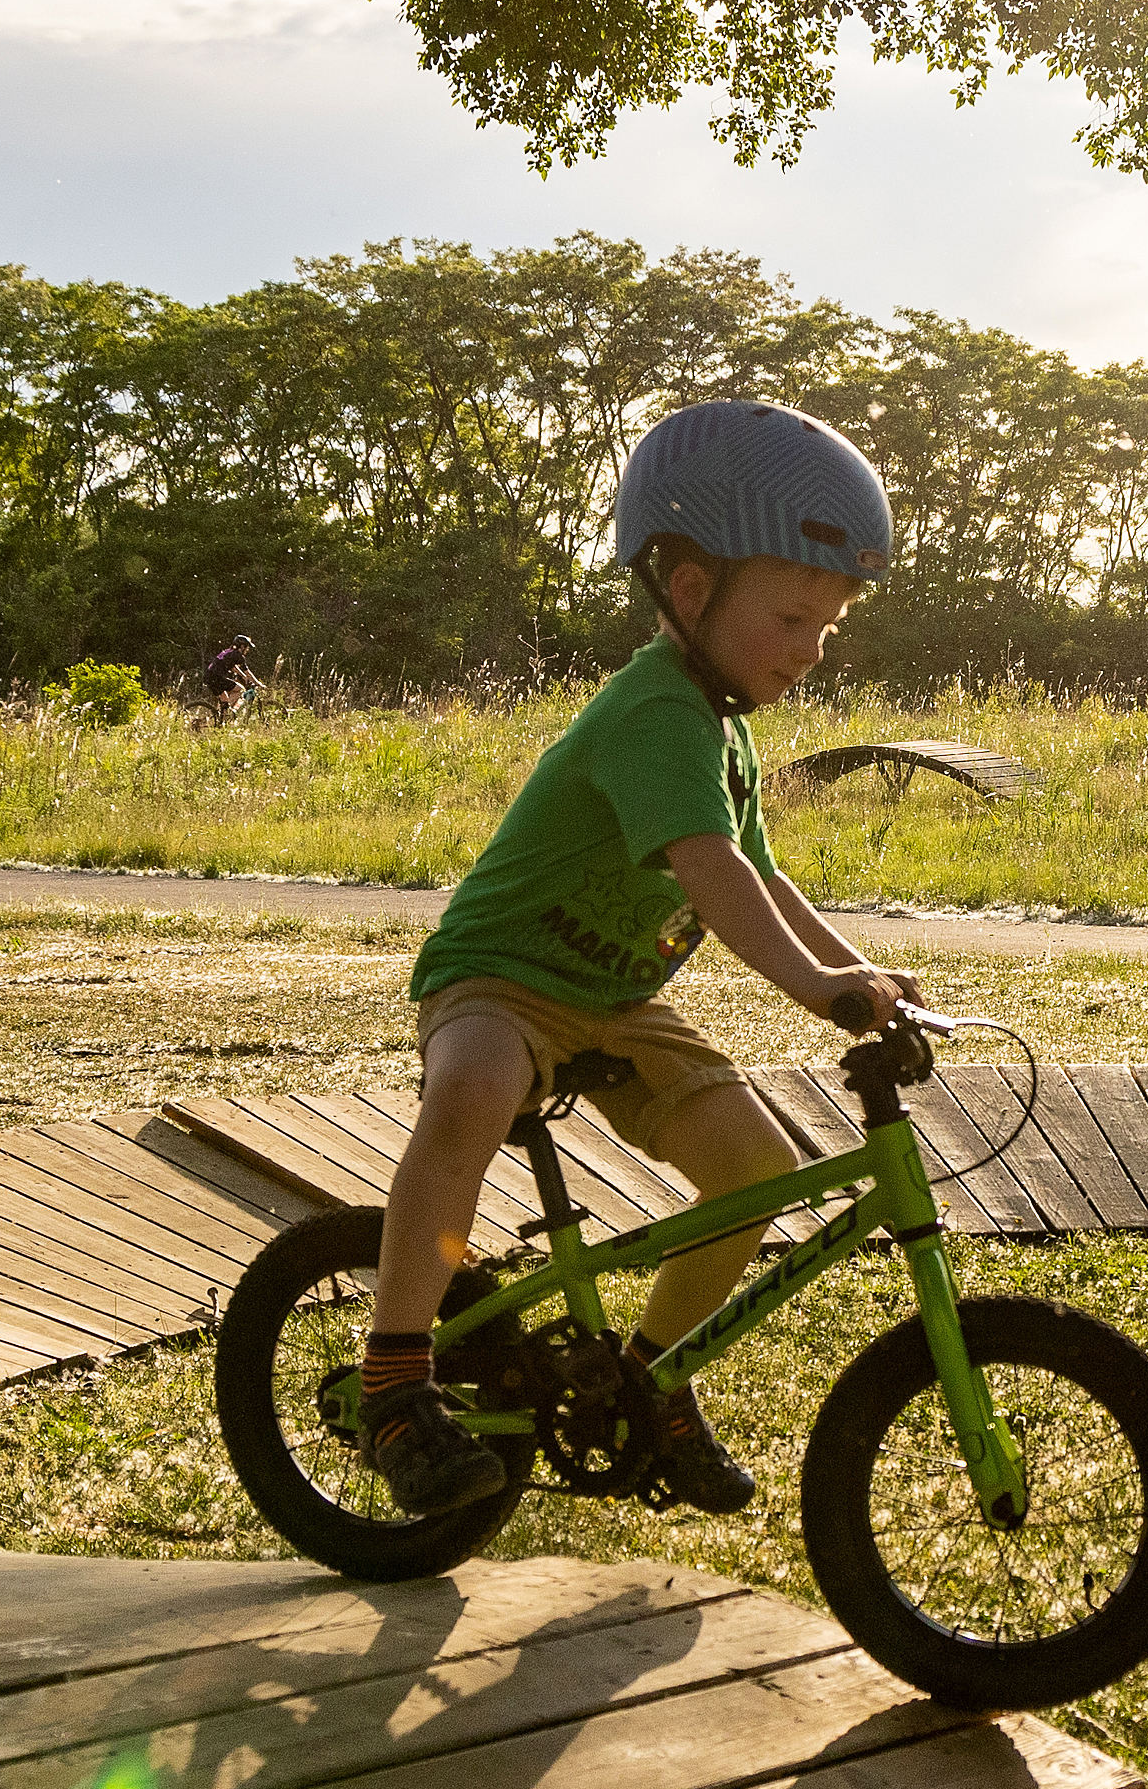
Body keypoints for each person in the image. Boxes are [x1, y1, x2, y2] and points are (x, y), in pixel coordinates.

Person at [360, 398, 924, 1521]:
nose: (812, 652)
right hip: (501, 975)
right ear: (690, 591)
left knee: (758, 1173)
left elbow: (764, 879)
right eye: (793, 618)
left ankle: (650, 1382)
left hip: (615, 1002)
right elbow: (710, 870)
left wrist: (865, 970)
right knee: (472, 1089)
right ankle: (393, 1383)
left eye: (830, 628)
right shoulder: (653, 713)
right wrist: (817, 992)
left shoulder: (724, 729)